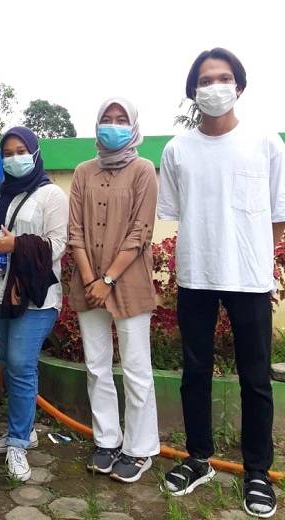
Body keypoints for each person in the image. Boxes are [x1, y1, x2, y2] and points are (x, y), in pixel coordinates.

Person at [158, 48, 285, 518]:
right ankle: (198, 459)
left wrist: (253, 256)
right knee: (195, 372)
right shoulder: (177, 150)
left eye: (224, 77)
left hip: (249, 279)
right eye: (206, 80)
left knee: (255, 377)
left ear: (240, 86)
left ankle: (257, 471)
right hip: (196, 275)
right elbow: (176, 213)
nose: (215, 86)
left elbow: (278, 217)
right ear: (193, 91)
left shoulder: (266, 143)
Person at [68, 98, 159, 483]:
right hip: (89, 283)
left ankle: (140, 449)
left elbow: (141, 232)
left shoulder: (144, 170)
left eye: (122, 119)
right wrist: (92, 280)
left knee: (136, 369)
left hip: (129, 282)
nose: (114, 125)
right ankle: (107, 441)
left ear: (133, 126)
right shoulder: (82, 172)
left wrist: (107, 281)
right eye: (107, 118)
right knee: (97, 366)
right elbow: (75, 231)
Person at [0, 126, 68, 481]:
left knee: (21, 364)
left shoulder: (51, 194)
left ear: (35, 152)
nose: (14, 158)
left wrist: (18, 245)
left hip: (35, 296)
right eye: (8, 153)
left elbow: (59, 245)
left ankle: (17, 443)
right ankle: (24, 430)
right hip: (0, 292)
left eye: (21, 151)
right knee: (11, 365)